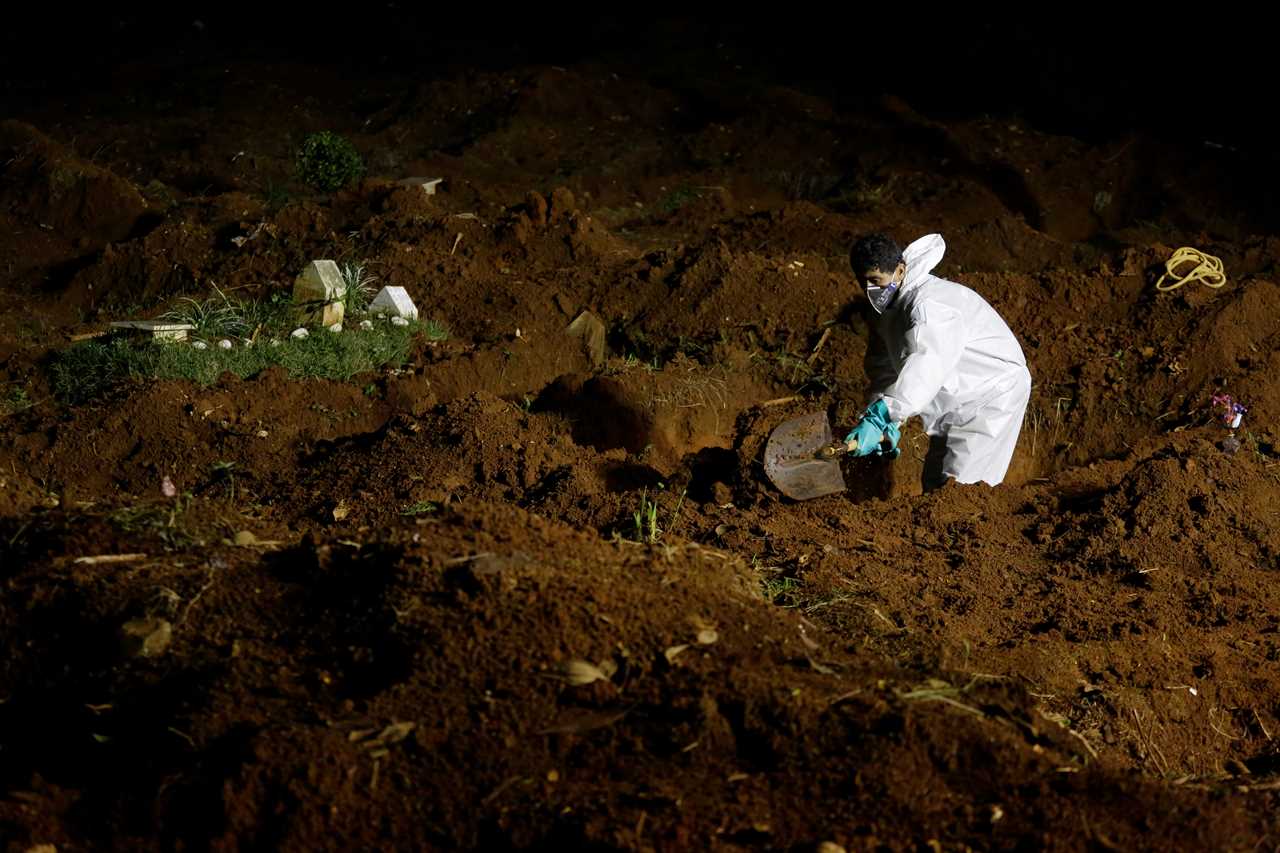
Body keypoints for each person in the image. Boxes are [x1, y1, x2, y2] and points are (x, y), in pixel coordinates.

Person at [844, 232, 1032, 489]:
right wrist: (886, 422)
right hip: (954, 398)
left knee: (961, 487)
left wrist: (885, 414)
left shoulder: (928, 306)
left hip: (991, 393)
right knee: (936, 482)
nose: (870, 291)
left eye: (875, 280)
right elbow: (886, 371)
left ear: (900, 271)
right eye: (863, 282)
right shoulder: (887, 312)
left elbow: (927, 364)